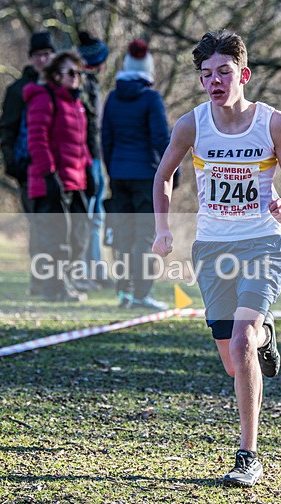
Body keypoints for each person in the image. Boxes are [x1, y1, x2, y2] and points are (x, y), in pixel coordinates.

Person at [151, 30, 281, 487]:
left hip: (262, 244)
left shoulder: (274, 123)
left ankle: (248, 456)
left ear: (244, 75)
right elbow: (164, 176)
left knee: (240, 342)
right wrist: (162, 229)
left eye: (223, 72)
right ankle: (264, 338)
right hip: (212, 248)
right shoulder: (192, 125)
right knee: (235, 362)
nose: (214, 81)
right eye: (206, 74)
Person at [102, 39, 171, 311]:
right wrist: (170, 175)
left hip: (119, 174)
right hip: (146, 176)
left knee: (123, 235)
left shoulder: (112, 98)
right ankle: (141, 294)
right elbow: (161, 139)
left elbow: (105, 139)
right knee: (144, 236)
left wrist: (112, 170)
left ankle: (124, 293)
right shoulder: (151, 99)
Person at [24, 51, 92, 302]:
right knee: (57, 239)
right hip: (51, 181)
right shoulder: (43, 98)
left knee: (79, 236)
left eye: (79, 73)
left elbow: (81, 144)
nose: (76, 78)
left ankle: (63, 282)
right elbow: (37, 139)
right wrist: (48, 174)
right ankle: (55, 289)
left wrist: (88, 170)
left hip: (76, 181)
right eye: (71, 73)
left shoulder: (77, 104)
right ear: (55, 75)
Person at [0, 31, 56, 295]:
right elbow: (5, 130)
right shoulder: (18, 90)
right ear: (30, 59)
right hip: (29, 170)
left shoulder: (62, 86)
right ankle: (41, 282)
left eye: (47, 54)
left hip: (61, 170)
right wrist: (14, 165)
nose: (43, 60)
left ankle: (59, 281)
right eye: (38, 55)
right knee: (40, 226)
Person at [77, 31, 111, 290]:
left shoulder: (89, 84)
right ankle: (86, 271)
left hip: (95, 157)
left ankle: (96, 268)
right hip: (87, 159)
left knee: (95, 215)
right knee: (88, 216)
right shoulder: (82, 86)